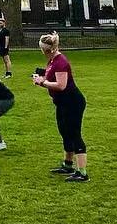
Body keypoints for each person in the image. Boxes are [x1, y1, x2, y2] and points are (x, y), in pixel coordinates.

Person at [33, 32, 88, 182]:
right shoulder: (52, 61)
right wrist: (42, 77)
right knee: (64, 132)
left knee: (74, 133)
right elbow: (52, 76)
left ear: (48, 50)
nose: (41, 52)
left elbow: (61, 85)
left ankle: (82, 173)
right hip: (62, 103)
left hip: (72, 102)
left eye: (42, 49)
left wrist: (42, 82)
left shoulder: (60, 62)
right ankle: (68, 164)